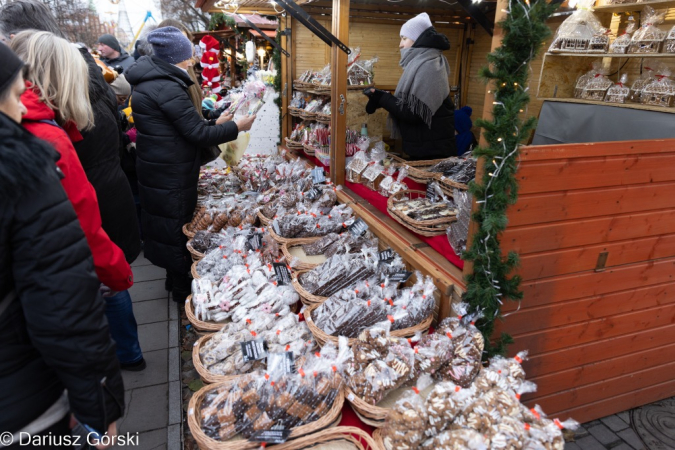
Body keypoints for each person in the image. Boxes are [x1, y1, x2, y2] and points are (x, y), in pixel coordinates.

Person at [0, 41, 124, 450]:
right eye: (17, 96)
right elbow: (63, 302)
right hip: (26, 404)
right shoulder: (30, 158)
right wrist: (101, 407)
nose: (21, 109)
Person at [11, 30, 146, 371]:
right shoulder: (48, 136)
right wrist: (117, 271)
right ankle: (127, 358)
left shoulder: (32, 125)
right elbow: (80, 219)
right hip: (63, 283)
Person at [125, 26, 257, 302]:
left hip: (161, 167)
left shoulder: (154, 80)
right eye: (189, 54)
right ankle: (182, 291)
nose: (193, 60)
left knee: (168, 225)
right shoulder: (167, 86)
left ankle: (173, 281)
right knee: (175, 228)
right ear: (178, 56)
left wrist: (215, 122)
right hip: (170, 172)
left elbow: (183, 127)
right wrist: (237, 126)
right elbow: (196, 134)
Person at [364, 12, 456, 160]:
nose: (400, 44)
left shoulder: (430, 65)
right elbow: (408, 104)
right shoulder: (421, 62)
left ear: (418, 39)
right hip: (424, 147)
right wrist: (379, 98)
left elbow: (414, 112)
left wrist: (383, 98)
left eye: (404, 38)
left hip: (432, 154)